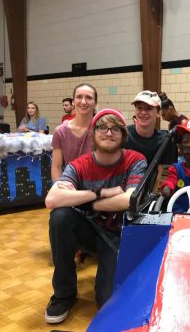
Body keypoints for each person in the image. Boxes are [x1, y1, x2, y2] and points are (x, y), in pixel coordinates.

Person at [44, 108, 147, 324]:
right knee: (60, 216)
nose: (108, 133)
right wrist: (99, 194)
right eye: (102, 127)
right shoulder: (78, 165)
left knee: (107, 301)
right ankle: (64, 294)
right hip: (88, 232)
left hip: (118, 238)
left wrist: (86, 203)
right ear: (93, 134)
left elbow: (129, 200)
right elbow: (52, 199)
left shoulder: (135, 159)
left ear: (123, 135)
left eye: (115, 129)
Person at [127, 90, 177, 192]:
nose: (143, 112)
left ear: (159, 113)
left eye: (149, 108)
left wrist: (153, 202)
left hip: (151, 196)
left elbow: (164, 176)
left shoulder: (166, 141)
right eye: (139, 108)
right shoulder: (123, 135)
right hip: (124, 192)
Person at [51, 84, 96, 181]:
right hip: (70, 185)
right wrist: (60, 188)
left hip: (98, 185)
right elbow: (56, 167)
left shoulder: (102, 129)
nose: (83, 102)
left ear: (95, 103)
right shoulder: (60, 132)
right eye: (79, 97)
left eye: (89, 98)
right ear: (73, 102)